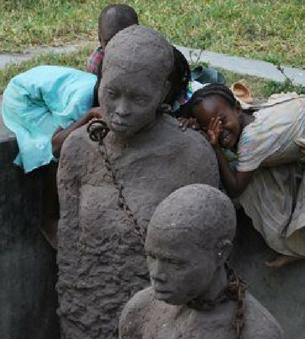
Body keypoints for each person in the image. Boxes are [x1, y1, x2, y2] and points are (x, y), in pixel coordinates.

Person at [56, 26, 219, 339]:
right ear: (100, 80)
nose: (120, 111)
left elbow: (206, 260)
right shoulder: (78, 149)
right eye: (112, 93)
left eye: (138, 98)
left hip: (160, 321)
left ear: (162, 92)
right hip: (86, 314)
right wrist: (78, 317)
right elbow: (70, 252)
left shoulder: (191, 155)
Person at [182, 84, 305, 268]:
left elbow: (235, 189)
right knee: (258, 177)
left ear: (238, 109)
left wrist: (215, 146)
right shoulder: (248, 120)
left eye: (222, 121)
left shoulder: (251, 140)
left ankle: (291, 245)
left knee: (253, 188)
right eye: (210, 128)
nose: (218, 131)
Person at [119, 184, 286, 339]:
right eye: (152, 256)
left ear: (221, 253)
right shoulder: (139, 311)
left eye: (176, 263)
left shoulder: (257, 332)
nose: (157, 274)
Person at [86, 3, 139, 76]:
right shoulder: (96, 63)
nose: (116, 49)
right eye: (109, 43)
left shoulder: (148, 55)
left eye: (124, 42)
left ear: (138, 35)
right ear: (99, 38)